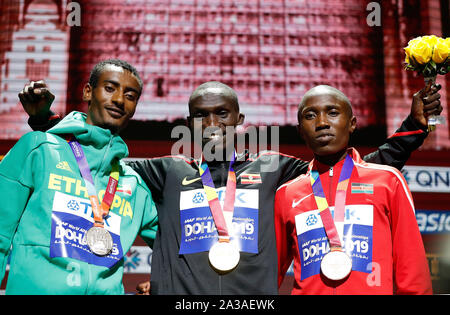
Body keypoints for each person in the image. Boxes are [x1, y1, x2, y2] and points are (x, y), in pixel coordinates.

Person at [20, 79, 441, 295]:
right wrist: (44, 121)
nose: (212, 124)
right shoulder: (168, 171)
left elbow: (356, 172)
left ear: (240, 122)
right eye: (201, 116)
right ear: (189, 124)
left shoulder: (276, 170)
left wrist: (414, 128)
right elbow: (90, 164)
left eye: (222, 114)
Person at [0, 59, 158, 294]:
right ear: (87, 92)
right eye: (110, 88)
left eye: (130, 95)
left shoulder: (134, 185)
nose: (118, 100)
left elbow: (178, 248)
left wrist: (163, 284)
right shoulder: (39, 150)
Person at [274, 85, 432, 294]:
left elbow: (413, 273)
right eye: (310, 116)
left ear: (352, 124)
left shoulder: (388, 182)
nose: (321, 123)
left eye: (332, 113)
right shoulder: (287, 194)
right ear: (300, 131)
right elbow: (267, 275)